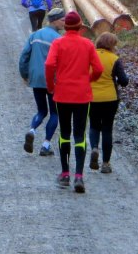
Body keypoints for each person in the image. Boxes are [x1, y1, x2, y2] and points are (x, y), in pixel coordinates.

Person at [45, 11, 103, 193]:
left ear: (65, 26)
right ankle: (79, 176)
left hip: (62, 94)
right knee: (79, 134)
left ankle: (65, 174)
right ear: (79, 26)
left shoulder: (58, 43)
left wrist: (50, 85)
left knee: (64, 133)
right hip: (81, 96)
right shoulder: (87, 44)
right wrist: (89, 79)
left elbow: (49, 65)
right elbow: (99, 68)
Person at [19, 8, 66, 156]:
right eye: (62, 20)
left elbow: (24, 56)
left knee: (41, 110)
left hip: (36, 78)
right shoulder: (59, 39)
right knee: (55, 113)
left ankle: (32, 129)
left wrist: (25, 74)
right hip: (53, 80)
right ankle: (45, 145)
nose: (64, 23)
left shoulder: (35, 35)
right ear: (54, 20)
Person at [88, 32, 129, 174]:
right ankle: (106, 163)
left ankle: (94, 147)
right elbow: (124, 81)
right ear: (112, 45)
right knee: (107, 129)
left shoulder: (90, 56)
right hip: (110, 98)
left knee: (94, 125)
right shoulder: (114, 59)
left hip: (92, 97)